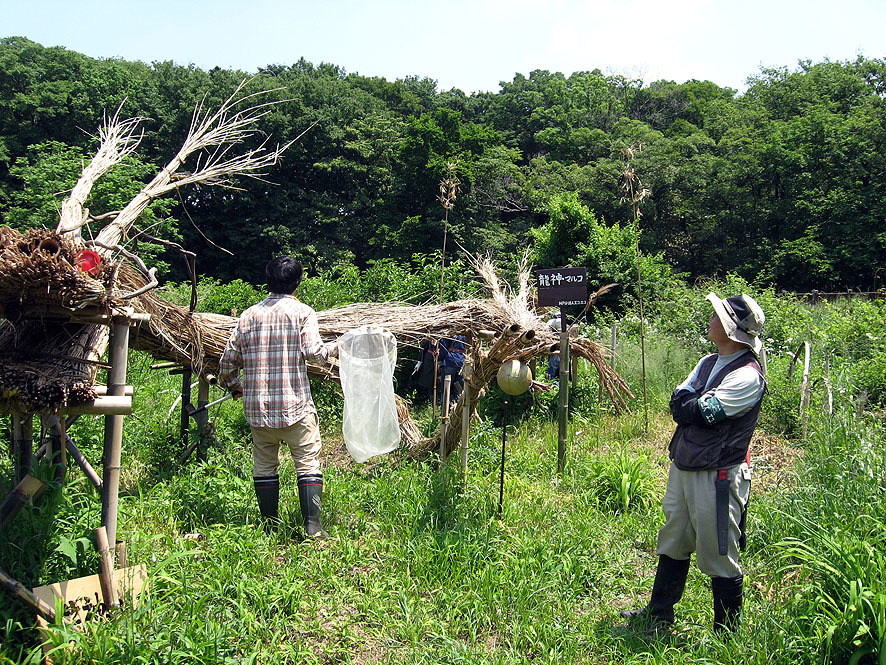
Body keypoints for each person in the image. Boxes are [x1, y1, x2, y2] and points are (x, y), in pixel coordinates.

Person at [621, 293, 766, 634]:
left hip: (718, 476)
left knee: (718, 552)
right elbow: (678, 402)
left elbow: (702, 412)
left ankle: (726, 633)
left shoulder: (748, 376)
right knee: (673, 537)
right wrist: (690, 407)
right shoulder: (706, 362)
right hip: (685, 466)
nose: (711, 321)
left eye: (718, 317)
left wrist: (691, 406)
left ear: (731, 330)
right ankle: (659, 614)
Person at [219, 257, 337, 538]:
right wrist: (338, 347)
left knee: (264, 465)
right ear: (297, 282)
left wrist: (235, 386)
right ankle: (312, 528)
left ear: (268, 281)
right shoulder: (302, 312)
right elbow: (314, 353)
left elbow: (227, 363)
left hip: (258, 410)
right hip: (296, 406)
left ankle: (270, 527)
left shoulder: (248, 315)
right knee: (307, 463)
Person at [437, 335, 465, 405]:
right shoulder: (467, 334)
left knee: (446, 388)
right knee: (458, 388)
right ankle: (458, 408)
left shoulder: (449, 333)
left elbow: (443, 349)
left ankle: (446, 408)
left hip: (450, 361)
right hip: (462, 362)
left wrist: (439, 359)